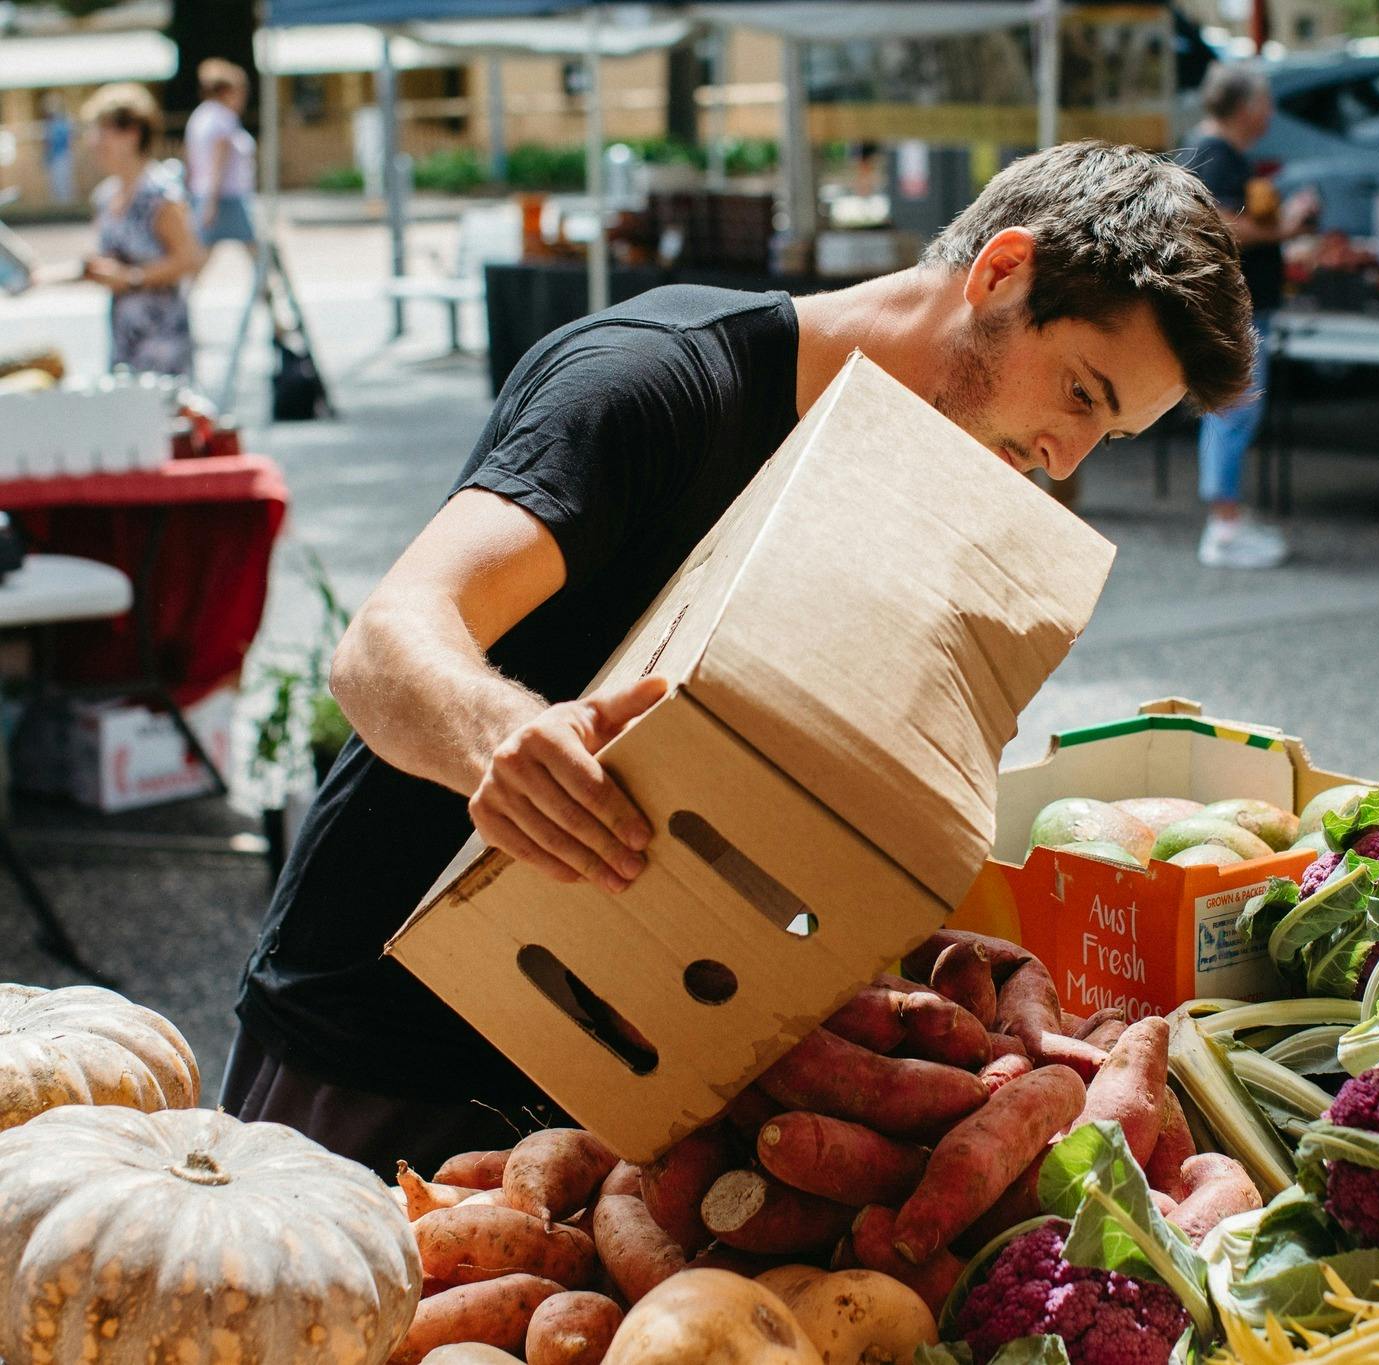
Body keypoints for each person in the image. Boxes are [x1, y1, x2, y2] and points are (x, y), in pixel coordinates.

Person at [226, 141, 1255, 1179]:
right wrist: (505, 738)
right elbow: (384, 642)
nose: (1066, 460)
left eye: (1109, 433)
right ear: (999, 273)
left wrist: (903, 941)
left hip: (627, 1071)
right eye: (1081, 393)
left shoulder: (919, 483)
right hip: (381, 1042)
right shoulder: (652, 381)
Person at [1180, 62, 1318, 570]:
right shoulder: (1216, 153)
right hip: (1235, 305)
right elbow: (1220, 225)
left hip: (1234, 303)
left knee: (1231, 409)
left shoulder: (1209, 147)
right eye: (1265, 102)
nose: (1271, 113)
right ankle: (1225, 525)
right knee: (1234, 410)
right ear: (1246, 107)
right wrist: (1285, 229)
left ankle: (1228, 516)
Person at [78, 83, 206, 378]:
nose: (94, 141)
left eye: (102, 131)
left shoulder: (159, 193)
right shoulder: (106, 196)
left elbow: (189, 259)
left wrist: (131, 278)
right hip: (124, 335)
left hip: (161, 338)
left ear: (132, 133)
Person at [185, 58, 260, 254]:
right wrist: (212, 201)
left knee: (204, 250)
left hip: (205, 193)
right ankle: (264, 283)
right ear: (227, 92)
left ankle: (264, 284)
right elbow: (219, 164)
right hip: (224, 195)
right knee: (253, 248)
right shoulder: (223, 119)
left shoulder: (200, 116)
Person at [40, 94, 75, 205]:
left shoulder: (62, 123)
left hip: (63, 156)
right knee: (56, 185)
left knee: (64, 184)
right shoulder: (49, 124)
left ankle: (68, 207)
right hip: (54, 158)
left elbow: (66, 140)